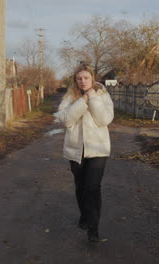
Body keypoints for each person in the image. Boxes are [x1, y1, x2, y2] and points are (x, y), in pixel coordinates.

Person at [55, 63, 114, 242]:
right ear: (75, 80)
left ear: (92, 78)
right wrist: (83, 101)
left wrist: (93, 98)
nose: (83, 81)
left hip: (98, 149)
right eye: (79, 78)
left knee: (93, 187)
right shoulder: (69, 97)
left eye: (86, 78)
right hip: (76, 149)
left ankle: (93, 229)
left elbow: (104, 119)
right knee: (81, 187)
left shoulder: (103, 95)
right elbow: (65, 119)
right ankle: (85, 215)